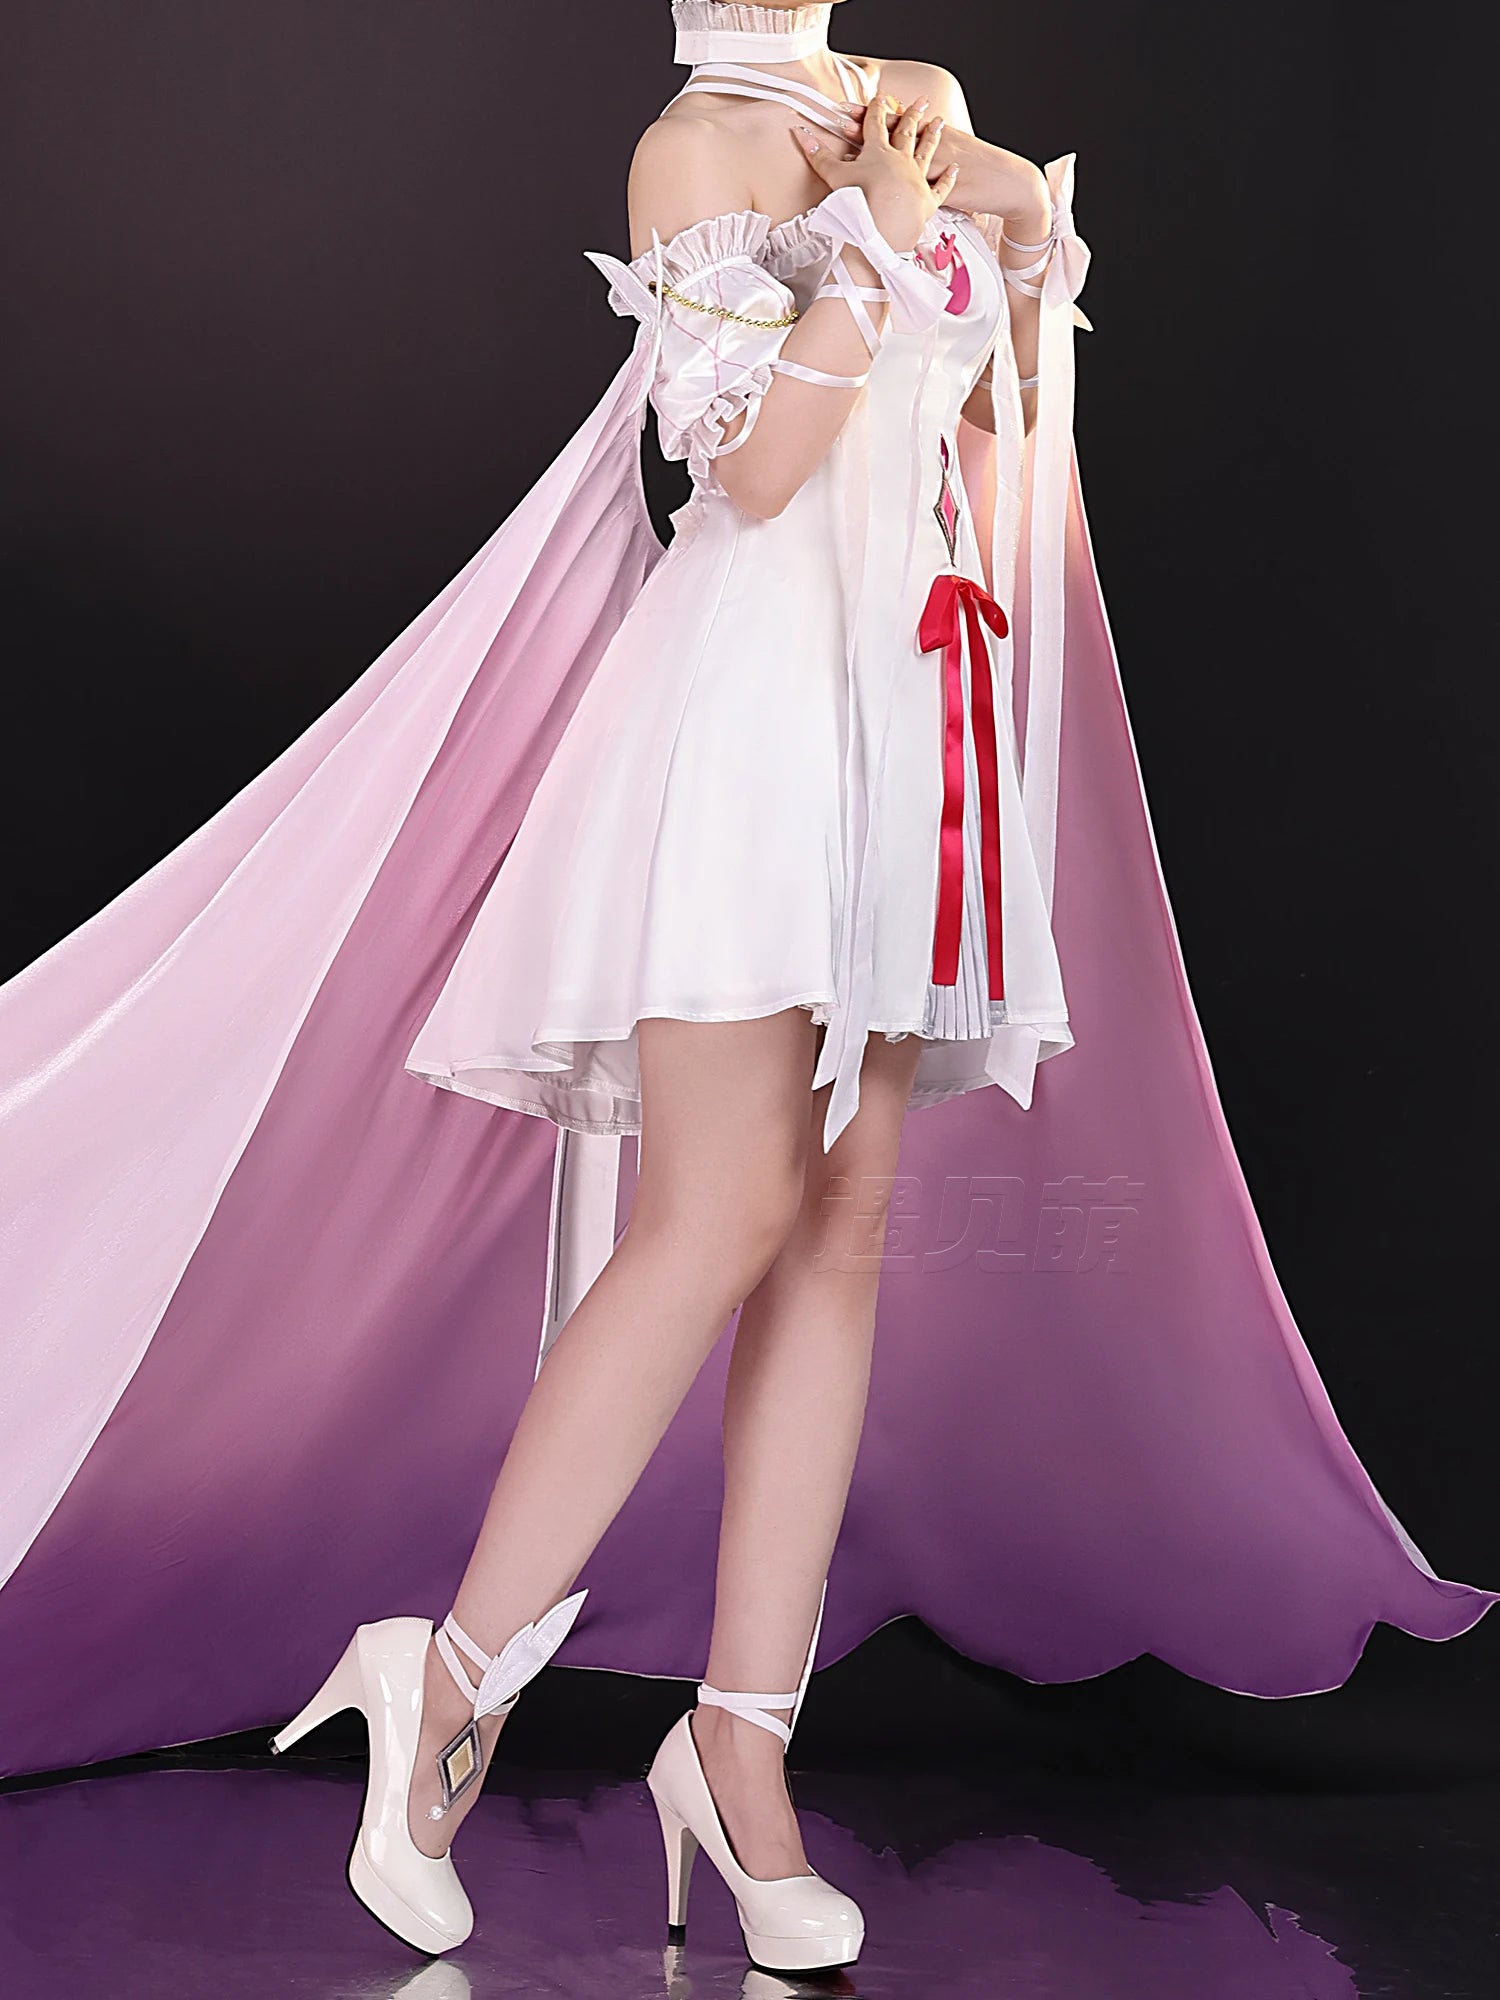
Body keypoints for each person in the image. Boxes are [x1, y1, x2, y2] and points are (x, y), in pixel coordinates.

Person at [1, 0, 1491, 1975]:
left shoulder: (916, 105)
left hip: (910, 715)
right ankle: (446, 1677)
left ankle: (739, 1747)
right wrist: (878, 239)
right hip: (753, 717)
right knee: (717, 1211)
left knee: (840, 1229)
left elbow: (988, 427)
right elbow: (760, 469)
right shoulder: (692, 148)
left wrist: (991, 250)